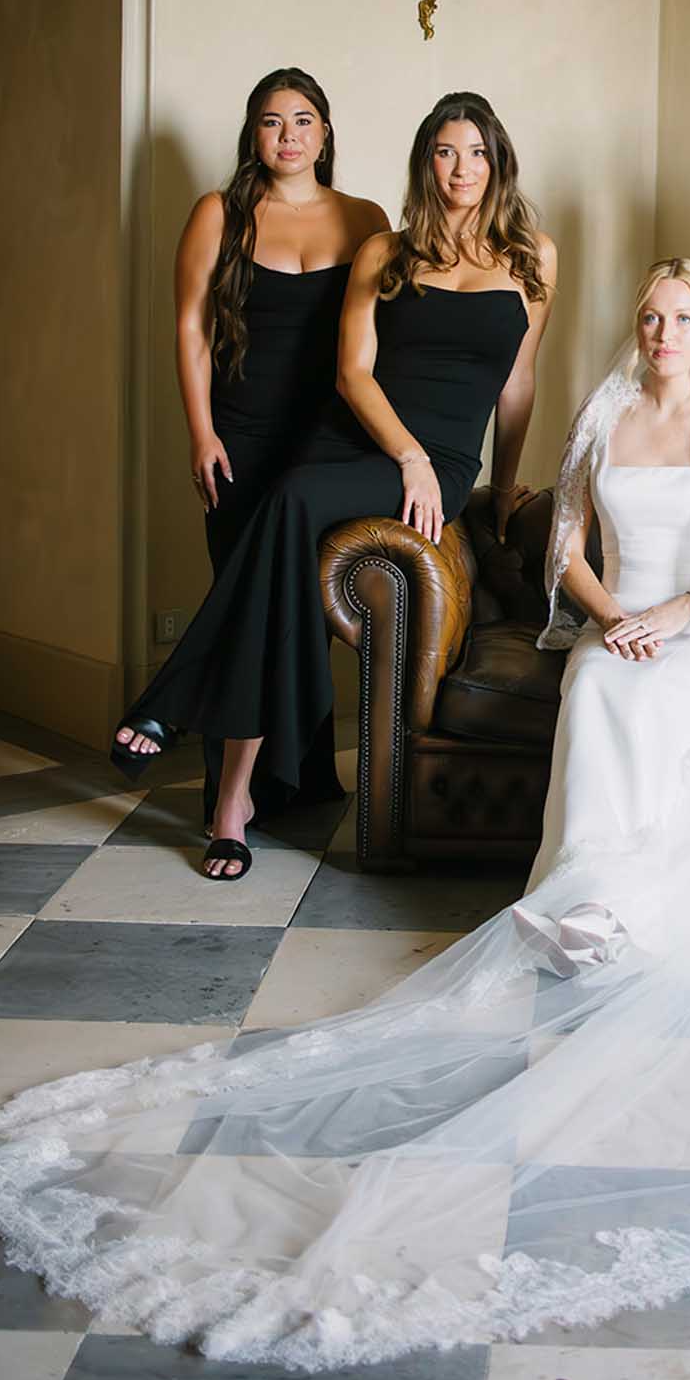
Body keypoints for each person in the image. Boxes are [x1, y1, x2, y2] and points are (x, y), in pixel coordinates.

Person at [0, 260, 690, 1370]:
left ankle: (639, 902)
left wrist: (680, 615)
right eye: (648, 315)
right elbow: (565, 548)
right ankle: (587, 893)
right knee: (599, 683)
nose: (660, 331)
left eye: (680, 316)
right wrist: (614, 618)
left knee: (661, 687)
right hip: (622, 625)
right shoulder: (608, 408)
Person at [112, 91, 555, 879]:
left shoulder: (533, 256)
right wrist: (406, 457)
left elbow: (518, 386)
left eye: (478, 153)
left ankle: (169, 703)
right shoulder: (387, 249)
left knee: (281, 507)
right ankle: (234, 804)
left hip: (445, 464)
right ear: (427, 160)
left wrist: (500, 490)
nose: (462, 169)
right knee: (280, 559)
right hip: (364, 441)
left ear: (499, 161)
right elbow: (352, 375)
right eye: (446, 152)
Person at [174, 68, 388, 829]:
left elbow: (382, 341)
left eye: (303, 120)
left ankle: (298, 782)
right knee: (243, 607)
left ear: (326, 132)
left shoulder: (366, 218)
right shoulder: (220, 213)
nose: (288, 135)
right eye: (271, 122)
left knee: (301, 606)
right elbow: (193, 331)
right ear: (252, 134)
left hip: (328, 445)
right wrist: (201, 433)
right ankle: (228, 799)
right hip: (240, 437)